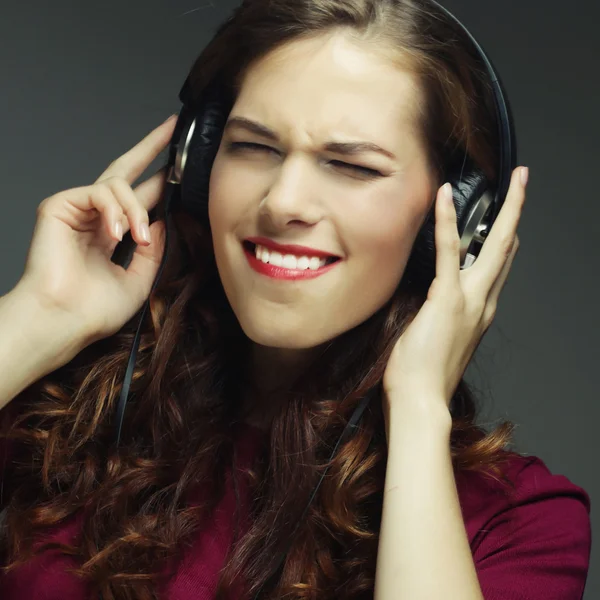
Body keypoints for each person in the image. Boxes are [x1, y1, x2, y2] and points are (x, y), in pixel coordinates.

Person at [0, 0, 591, 599]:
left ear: (461, 221)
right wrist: (39, 316)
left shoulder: (522, 524)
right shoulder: (55, 419)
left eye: (351, 166)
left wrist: (416, 409)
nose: (283, 203)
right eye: (254, 147)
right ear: (196, 165)